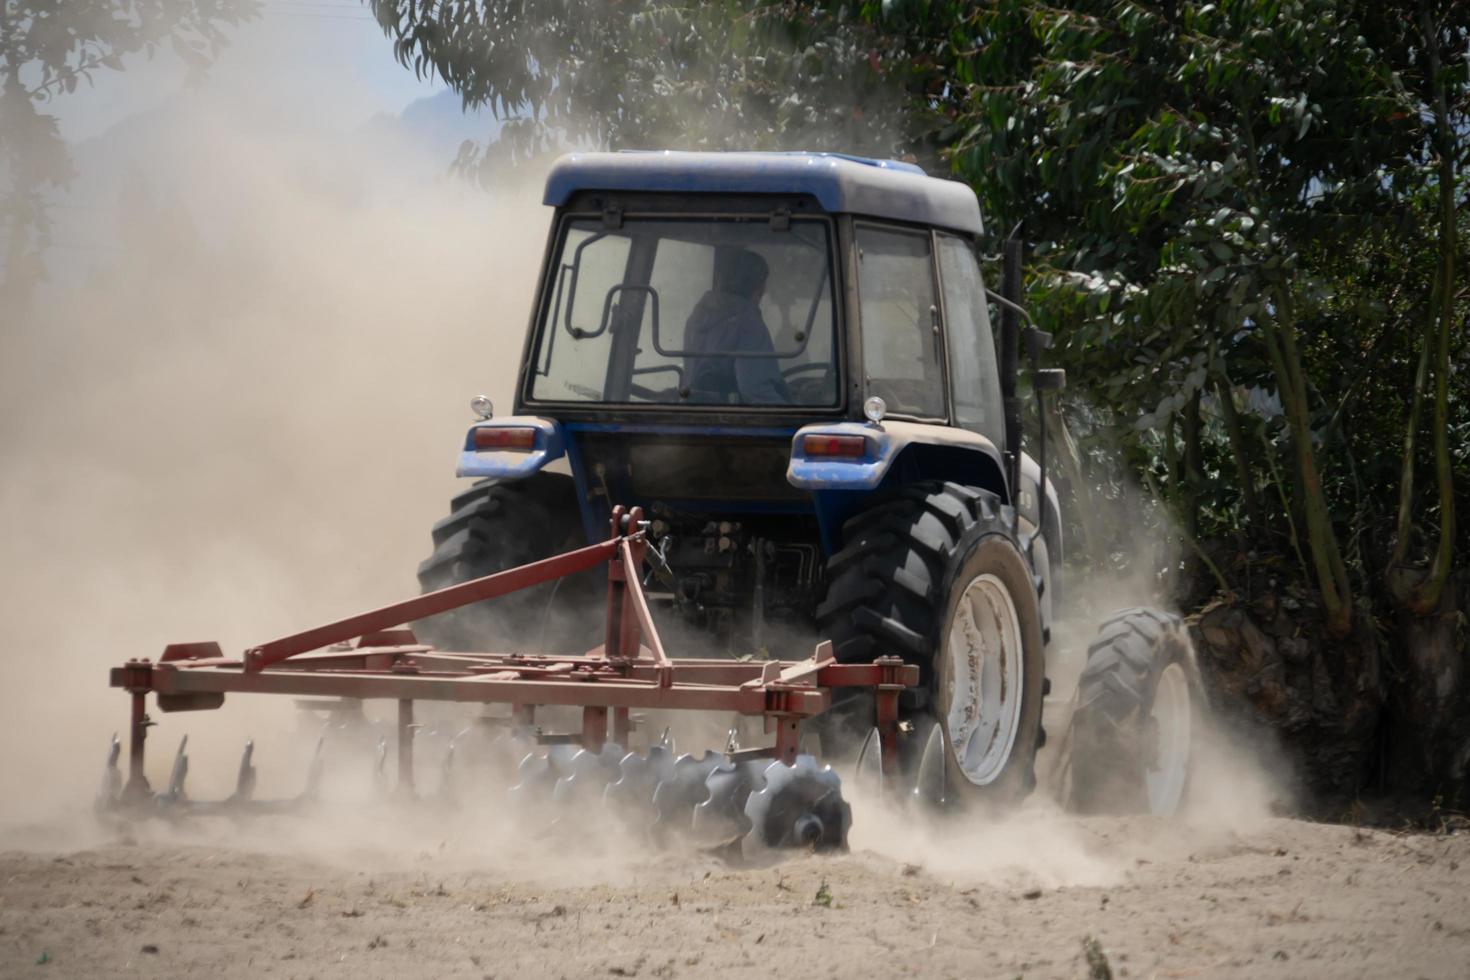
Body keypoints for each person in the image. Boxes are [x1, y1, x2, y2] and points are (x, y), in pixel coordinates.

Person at [683, 249, 789, 404]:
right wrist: (793, 411)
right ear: (758, 286)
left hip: (695, 413)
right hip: (735, 417)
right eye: (764, 283)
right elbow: (755, 390)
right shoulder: (748, 322)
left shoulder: (698, 316)